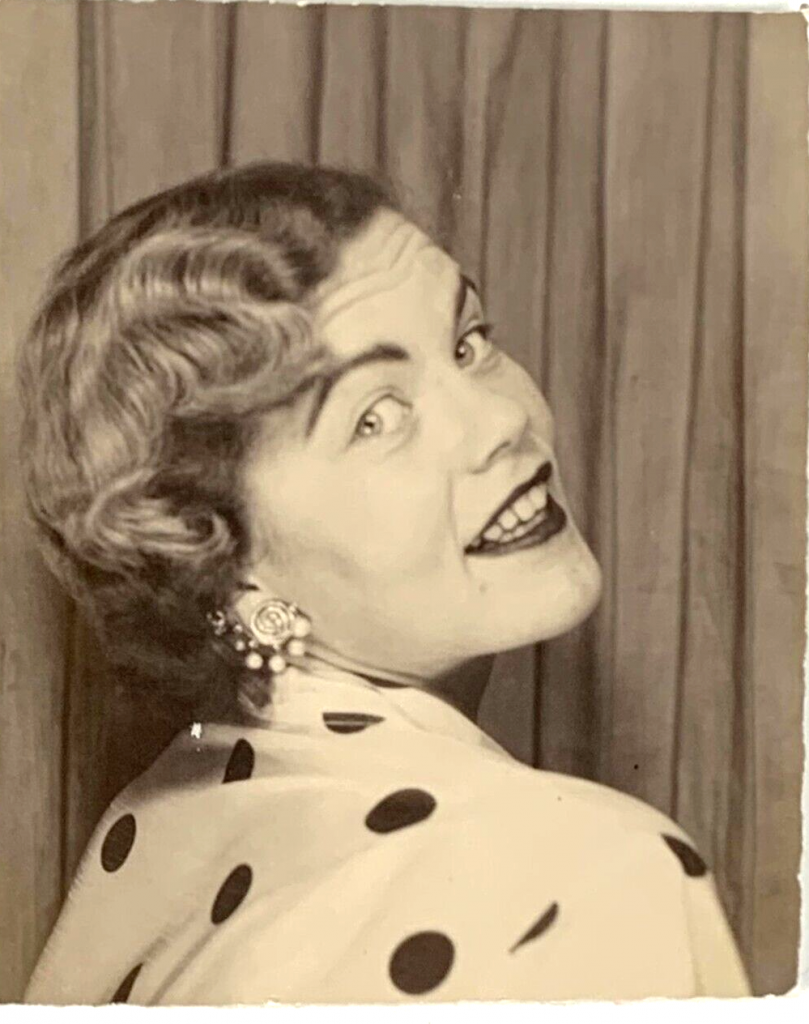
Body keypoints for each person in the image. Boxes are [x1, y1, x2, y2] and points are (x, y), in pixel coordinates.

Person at [19, 162, 750, 1004]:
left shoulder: (165, 823)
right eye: (376, 416)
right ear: (220, 563)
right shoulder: (584, 877)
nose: (503, 420)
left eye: (468, 344)